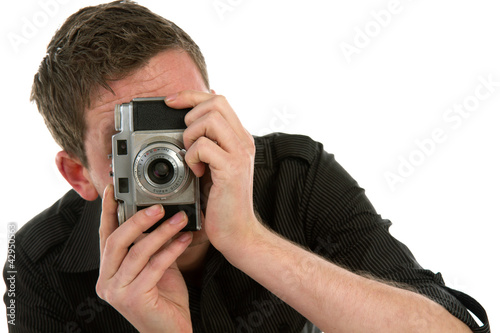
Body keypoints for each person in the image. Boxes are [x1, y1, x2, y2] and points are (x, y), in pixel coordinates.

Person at [3, 1, 489, 332]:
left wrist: (251, 243)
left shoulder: (294, 176)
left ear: (216, 107)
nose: (169, 161)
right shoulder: (39, 263)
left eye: (180, 121)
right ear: (78, 175)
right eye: (128, 145)